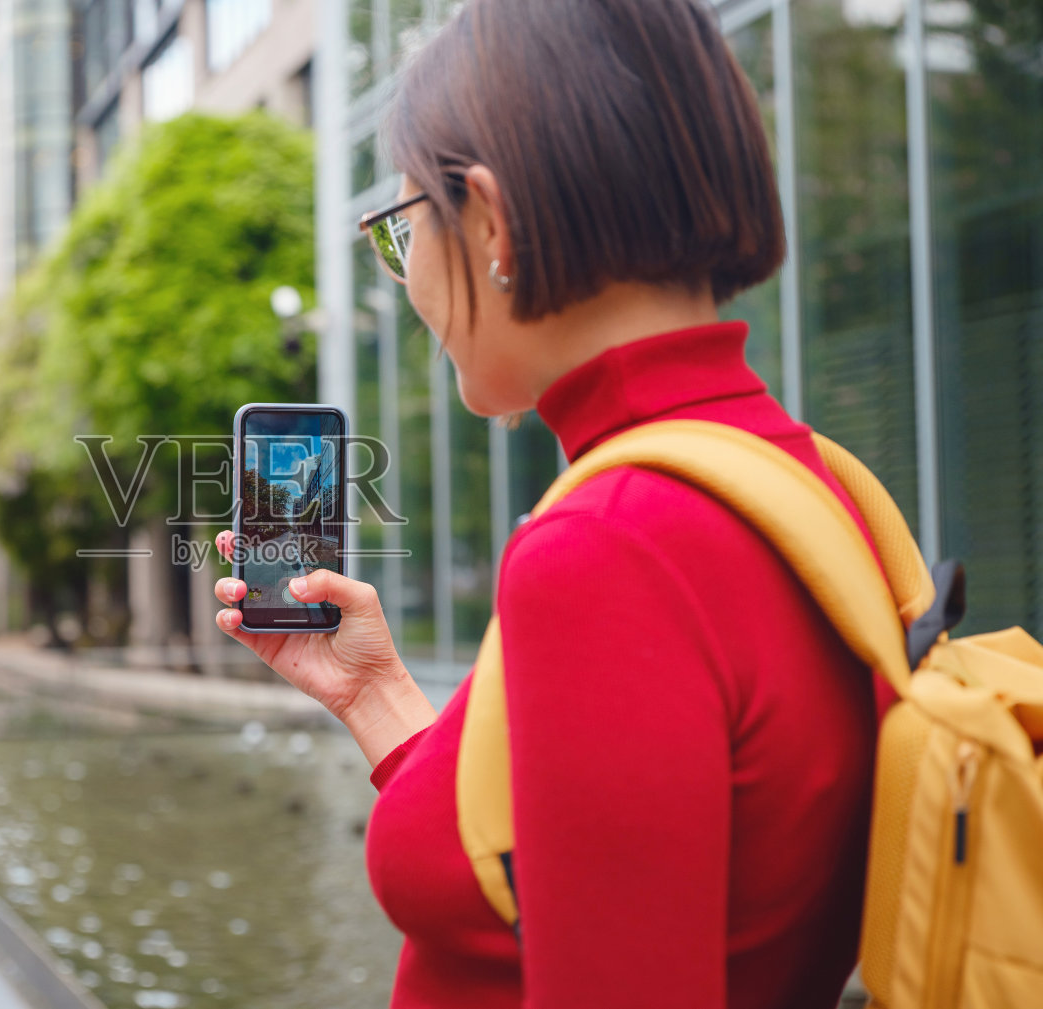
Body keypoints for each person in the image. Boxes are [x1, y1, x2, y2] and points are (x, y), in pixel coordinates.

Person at [211, 0, 896, 1006]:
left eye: (402, 231)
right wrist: (374, 695)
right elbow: (530, 878)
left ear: (489, 222)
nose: (404, 283)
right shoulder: (817, 486)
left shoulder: (610, 547)